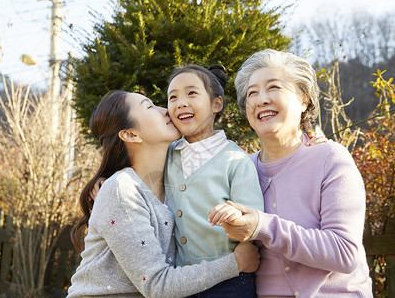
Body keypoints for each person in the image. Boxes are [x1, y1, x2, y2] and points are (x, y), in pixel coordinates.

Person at [208, 49, 373, 297]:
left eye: (273, 87)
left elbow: (344, 253)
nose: (261, 99)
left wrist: (262, 226)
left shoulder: (330, 158)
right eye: (252, 93)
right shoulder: (241, 169)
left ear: (304, 99)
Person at [67, 90, 260, 298]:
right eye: (150, 107)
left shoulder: (175, 179)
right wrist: (236, 263)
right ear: (131, 134)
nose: (166, 110)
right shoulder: (122, 190)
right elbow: (157, 285)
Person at [164, 64, 264, 297]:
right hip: (180, 280)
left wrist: (235, 217)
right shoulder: (166, 154)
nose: (181, 102)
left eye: (191, 93)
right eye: (173, 97)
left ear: (216, 104)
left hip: (230, 281)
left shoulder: (235, 160)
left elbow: (254, 220)